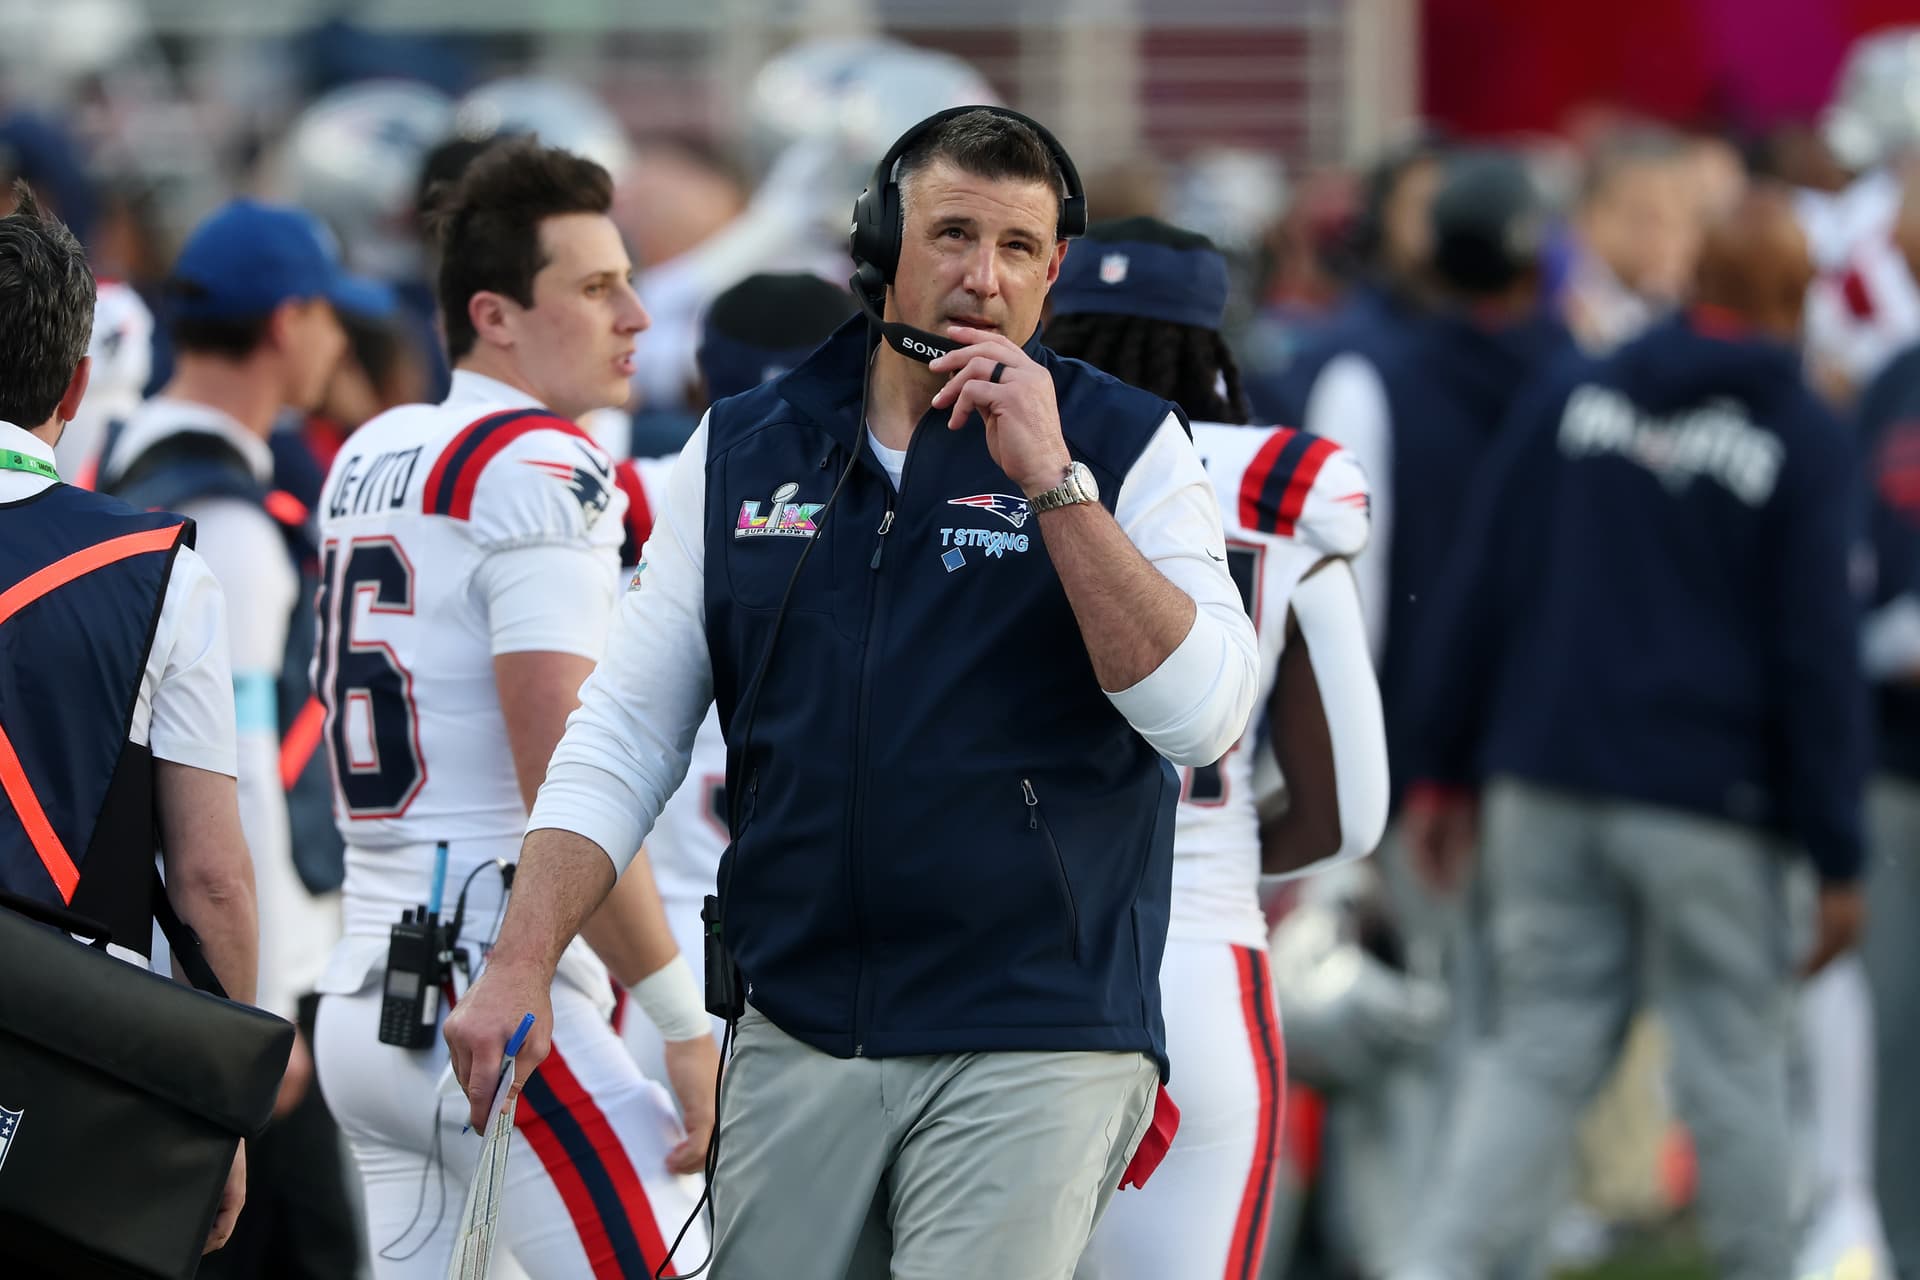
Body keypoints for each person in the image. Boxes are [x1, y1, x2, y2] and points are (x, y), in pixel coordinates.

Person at [445, 106, 1261, 1277]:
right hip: (800, 1016)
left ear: (1054, 272)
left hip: (1033, 1019)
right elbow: (621, 732)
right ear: (880, 241)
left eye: (1020, 248)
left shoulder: (1129, 444)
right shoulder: (743, 446)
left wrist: (1056, 483)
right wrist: (520, 957)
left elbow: (1202, 714)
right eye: (953, 234)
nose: (983, 277)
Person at [1393, 186, 1870, 1280]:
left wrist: (1442, 771)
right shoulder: (1802, 433)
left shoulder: (1579, 389)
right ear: (1798, 301)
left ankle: (1436, 1264)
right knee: (1733, 1062)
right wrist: (1837, 848)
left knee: (1536, 1051)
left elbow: (1482, 584)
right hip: (1710, 803)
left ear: (1694, 282)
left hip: (1544, 777)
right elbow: (1817, 654)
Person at [307, 139, 716, 1280]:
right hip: (490, 998)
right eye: (594, 287)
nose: (636, 313)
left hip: (365, 996)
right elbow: (574, 770)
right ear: (494, 313)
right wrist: (682, 1020)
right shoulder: (542, 460)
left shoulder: (377, 448)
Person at [1043, 215, 1389, 1280]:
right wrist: (1216, 848)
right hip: (1191, 951)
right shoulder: (1280, 490)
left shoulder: (966, 452)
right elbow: (1350, 812)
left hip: (989, 956)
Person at [96, 196, 373, 1279]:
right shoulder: (239, 532)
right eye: (329, 317)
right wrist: (257, 1019)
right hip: (234, 983)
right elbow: (243, 790)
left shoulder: (117, 473)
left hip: (137, 961)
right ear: (286, 322)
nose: (341, 343)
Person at [0, 182, 257, 1254]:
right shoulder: (156, 569)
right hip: (50, 1058)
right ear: (77, 380)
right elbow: (210, 878)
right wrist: (219, 1112)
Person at [619, 269, 858, 1092]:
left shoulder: (624, 495)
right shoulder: (896, 506)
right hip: (817, 949)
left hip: (641, 943)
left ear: (696, 377)